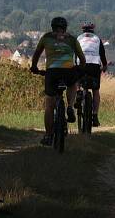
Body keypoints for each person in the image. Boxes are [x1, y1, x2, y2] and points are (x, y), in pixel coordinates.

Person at [30, 17, 87, 146]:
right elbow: (82, 58)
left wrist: (34, 67)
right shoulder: (72, 39)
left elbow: (36, 54)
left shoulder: (46, 37)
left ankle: (49, 135)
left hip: (52, 72)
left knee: (49, 106)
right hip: (68, 71)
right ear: (65, 27)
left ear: (52, 27)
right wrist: (80, 67)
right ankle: (70, 107)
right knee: (72, 84)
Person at [74, 21, 108, 127]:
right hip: (94, 65)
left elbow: (74, 53)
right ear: (93, 30)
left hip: (81, 63)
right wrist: (105, 65)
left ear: (82, 30)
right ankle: (95, 116)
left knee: (76, 80)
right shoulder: (97, 39)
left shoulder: (78, 38)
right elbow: (102, 54)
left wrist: (75, 65)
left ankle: (78, 91)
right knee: (95, 90)